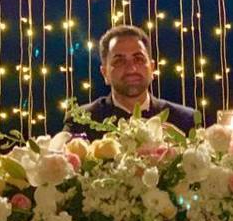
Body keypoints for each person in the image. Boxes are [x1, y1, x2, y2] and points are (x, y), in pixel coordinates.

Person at [64, 25, 196, 140]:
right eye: (119, 61)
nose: (131, 69)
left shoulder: (185, 120)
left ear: (152, 68)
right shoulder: (80, 122)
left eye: (138, 59)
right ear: (105, 73)